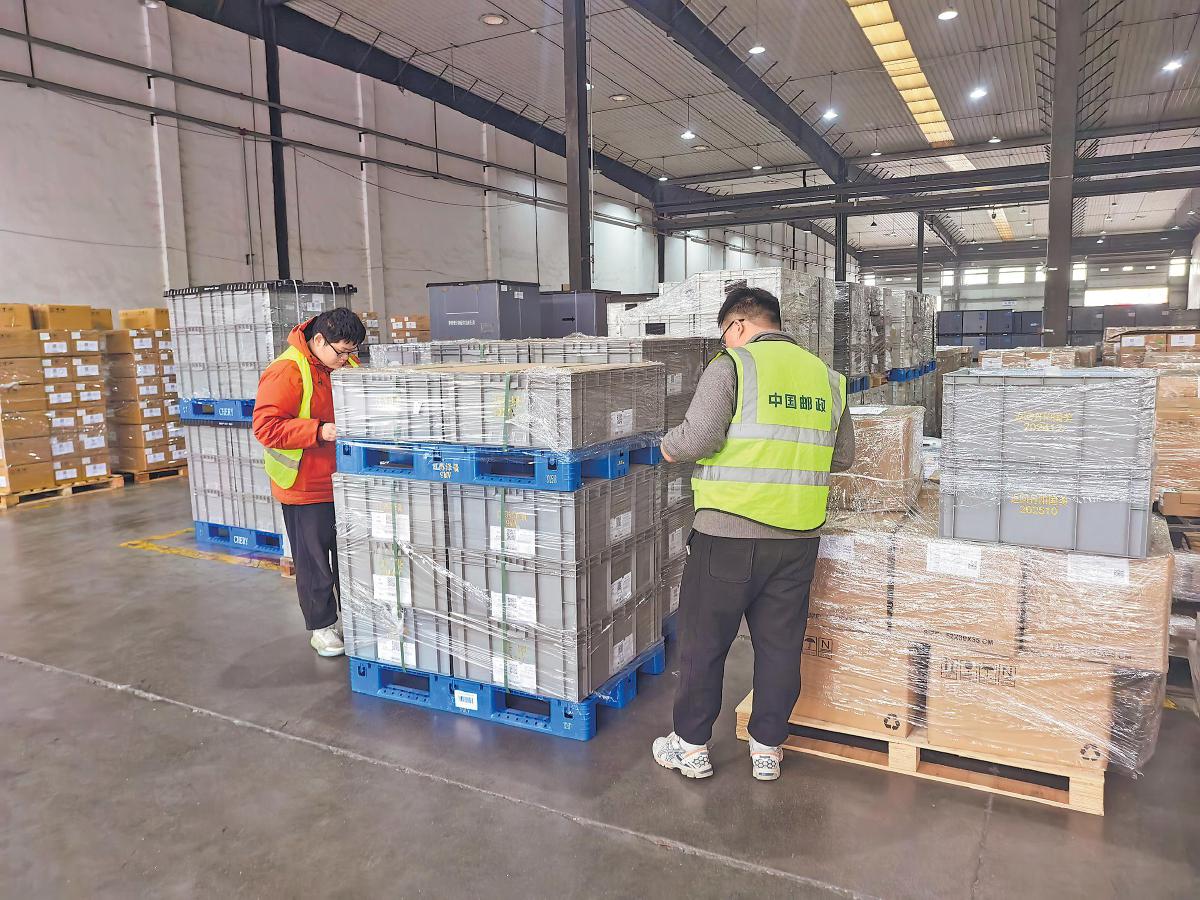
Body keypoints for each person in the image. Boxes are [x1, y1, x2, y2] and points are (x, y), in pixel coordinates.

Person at [652, 286, 855, 782]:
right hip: (798, 539)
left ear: (739, 325)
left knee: (705, 643)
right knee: (780, 646)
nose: (725, 341)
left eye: (725, 333)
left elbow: (699, 437)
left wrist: (667, 447)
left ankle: (691, 746)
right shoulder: (827, 378)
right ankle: (767, 747)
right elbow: (844, 456)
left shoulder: (733, 366)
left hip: (728, 533)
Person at [253, 306, 365, 657]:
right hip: (305, 485)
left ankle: (358, 619)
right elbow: (266, 428)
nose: (346, 359)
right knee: (315, 562)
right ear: (318, 340)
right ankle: (322, 627)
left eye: (351, 352)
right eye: (341, 352)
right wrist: (318, 431)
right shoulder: (287, 371)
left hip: (345, 481)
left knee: (352, 556)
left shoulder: (345, 365)